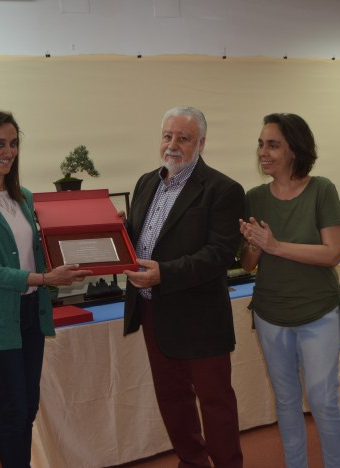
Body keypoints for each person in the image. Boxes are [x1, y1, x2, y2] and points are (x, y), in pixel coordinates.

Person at [0, 110, 91, 468]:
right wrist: (47, 279)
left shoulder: (25, 197)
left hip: (31, 314)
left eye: (13, 143)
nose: (8, 152)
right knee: (14, 409)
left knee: (28, 406)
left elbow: (39, 252)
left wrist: (85, 246)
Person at [123, 106, 245, 467]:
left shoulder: (223, 189)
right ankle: (192, 462)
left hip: (200, 316)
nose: (172, 145)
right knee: (172, 398)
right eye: (167, 136)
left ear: (201, 143)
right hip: (152, 309)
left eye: (183, 138)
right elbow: (139, 239)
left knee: (215, 402)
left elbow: (220, 254)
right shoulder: (146, 182)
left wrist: (166, 273)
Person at [239, 113, 340, 468]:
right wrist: (255, 244)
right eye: (260, 144)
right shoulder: (253, 197)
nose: (263, 152)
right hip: (271, 313)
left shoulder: (322, 190)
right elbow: (247, 264)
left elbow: (331, 253)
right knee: (285, 402)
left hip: (318, 312)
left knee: (323, 401)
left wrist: (274, 244)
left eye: (273, 144)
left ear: (295, 150)